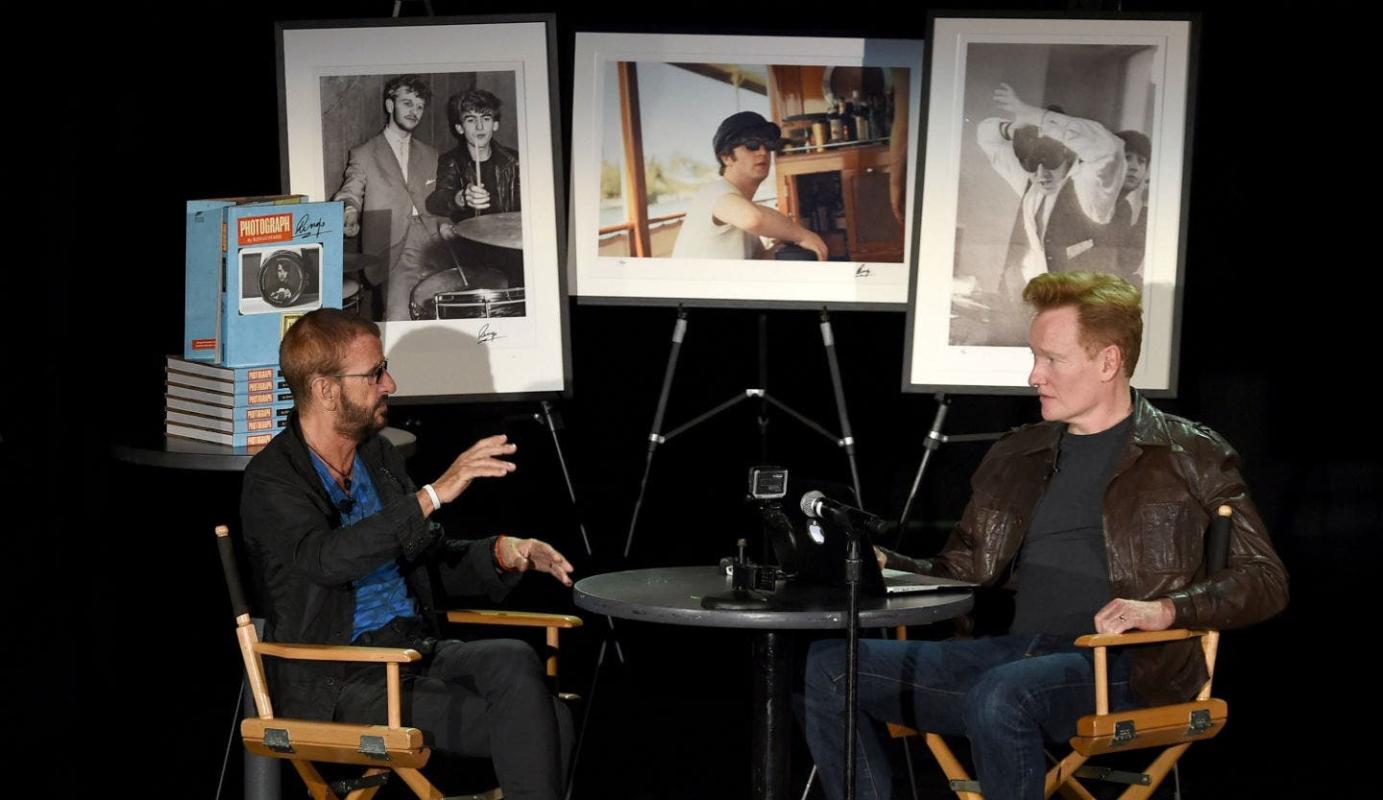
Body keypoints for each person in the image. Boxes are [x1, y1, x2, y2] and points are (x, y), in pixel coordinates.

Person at [803, 272, 1288, 800]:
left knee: (1003, 694)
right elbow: (960, 569)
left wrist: (1167, 609)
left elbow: (1264, 578)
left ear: (1108, 361)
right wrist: (882, 562)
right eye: (1034, 357)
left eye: (1052, 359)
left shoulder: (1189, 453)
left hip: (1128, 668)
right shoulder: (1017, 453)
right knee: (831, 666)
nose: (1035, 375)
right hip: (1013, 656)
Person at [241, 308, 574, 800]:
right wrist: (432, 495)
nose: (390, 384)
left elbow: (425, 560)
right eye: (375, 373)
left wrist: (503, 553)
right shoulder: (273, 480)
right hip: (339, 678)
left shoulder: (376, 457)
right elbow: (326, 560)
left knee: (516, 660)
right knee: (548, 722)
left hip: (412, 651)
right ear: (326, 390)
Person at [977, 84, 1127, 310]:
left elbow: (1109, 148)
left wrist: (1039, 117)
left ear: (1068, 153)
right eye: (1031, 164)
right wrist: (1017, 129)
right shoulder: (1032, 183)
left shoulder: (1089, 186)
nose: (1041, 175)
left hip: (1082, 310)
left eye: (1050, 161)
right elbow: (986, 134)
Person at [333, 75, 445, 321]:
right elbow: (350, 191)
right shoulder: (364, 154)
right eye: (407, 103)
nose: (414, 111)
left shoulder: (431, 154)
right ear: (390, 105)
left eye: (419, 106)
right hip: (394, 242)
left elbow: (442, 198)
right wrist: (349, 211)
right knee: (398, 317)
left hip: (437, 242)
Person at [671, 110, 828, 260]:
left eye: (768, 146)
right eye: (752, 145)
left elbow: (757, 262)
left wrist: (779, 248)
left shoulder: (742, 209)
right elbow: (753, 218)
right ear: (726, 157)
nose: (763, 152)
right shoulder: (713, 192)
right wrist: (802, 235)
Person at [427, 88, 521, 222]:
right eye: (471, 120)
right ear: (460, 128)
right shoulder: (450, 161)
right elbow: (436, 201)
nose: (479, 127)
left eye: (486, 119)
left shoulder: (515, 160)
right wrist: (461, 198)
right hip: (468, 234)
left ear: (495, 125)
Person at [1100, 129, 1152, 282]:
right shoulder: (1093, 199)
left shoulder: (1123, 209)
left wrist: (1146, 205)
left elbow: (1127, 262)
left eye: (1141, 161)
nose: (1134, 167)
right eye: (1127, 158)